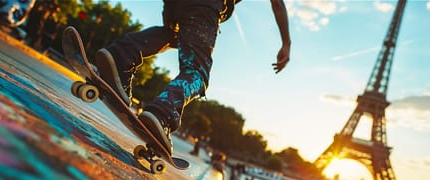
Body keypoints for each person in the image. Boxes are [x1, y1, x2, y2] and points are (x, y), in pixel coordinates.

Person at [95, 0, 291, 154]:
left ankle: (120, 56)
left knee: (173, 36)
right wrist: (286, 43)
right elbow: (277, 3)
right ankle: (163, 111)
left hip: (175, 4)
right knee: (198, 74)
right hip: (204, 6)